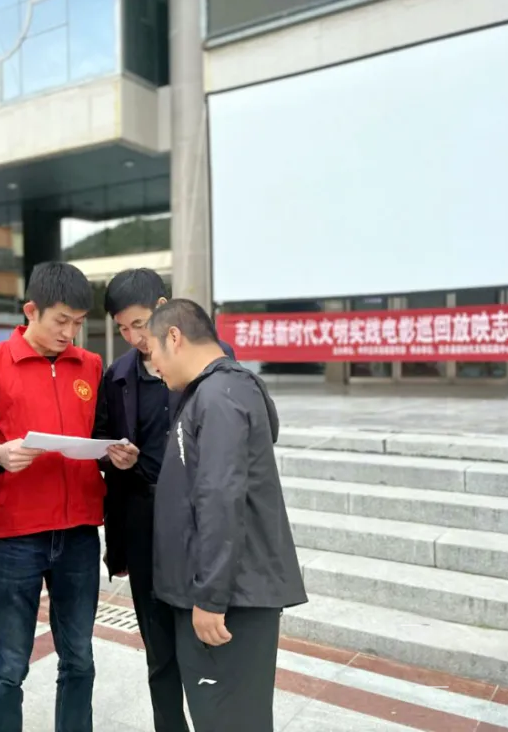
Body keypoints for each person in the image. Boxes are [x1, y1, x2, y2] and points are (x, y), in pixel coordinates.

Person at [0, 261, 138, 732]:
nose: (69, 333)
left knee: (79, 658)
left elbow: (99, 437)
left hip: (79, 533)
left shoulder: (91, 366)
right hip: (17, 535)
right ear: (31, 311)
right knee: (9, 663)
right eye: (61, 321)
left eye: (77, 323)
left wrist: (113, 456)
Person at [144, 299, 307, 732]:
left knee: (229, 719)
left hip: (230, 600)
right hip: (217, 592)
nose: (153, 366)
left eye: (152, 351)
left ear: (174, 337)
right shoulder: (211, 392)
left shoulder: (219, 396)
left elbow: (220, 496)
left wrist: (211, 598)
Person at [94, 269, 232, 732]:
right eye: (122, 329)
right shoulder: (118, 375)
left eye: (138, 324)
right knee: (158, 650)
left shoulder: (212, 364)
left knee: (208, 650)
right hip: (144, 522)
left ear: (162, 307)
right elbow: (102, 442)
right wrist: (116, 458)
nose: (134, 337)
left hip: (196, 523)